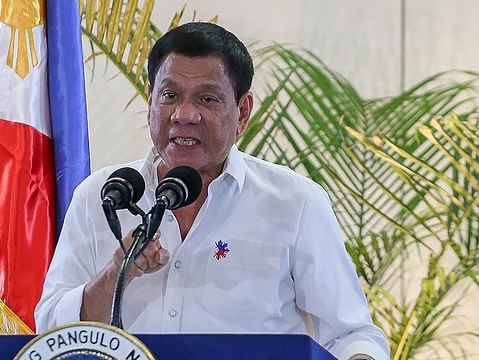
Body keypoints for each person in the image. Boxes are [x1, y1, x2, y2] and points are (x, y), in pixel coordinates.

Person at [35, 22, 389, 360]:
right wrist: (116, 273)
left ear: (242, 113)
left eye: (207, 99)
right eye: (170, 95)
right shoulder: (104, 196)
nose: (184, 114)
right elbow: (51, 333)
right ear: (150, 100)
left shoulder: (295, 203)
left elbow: (351, 334)